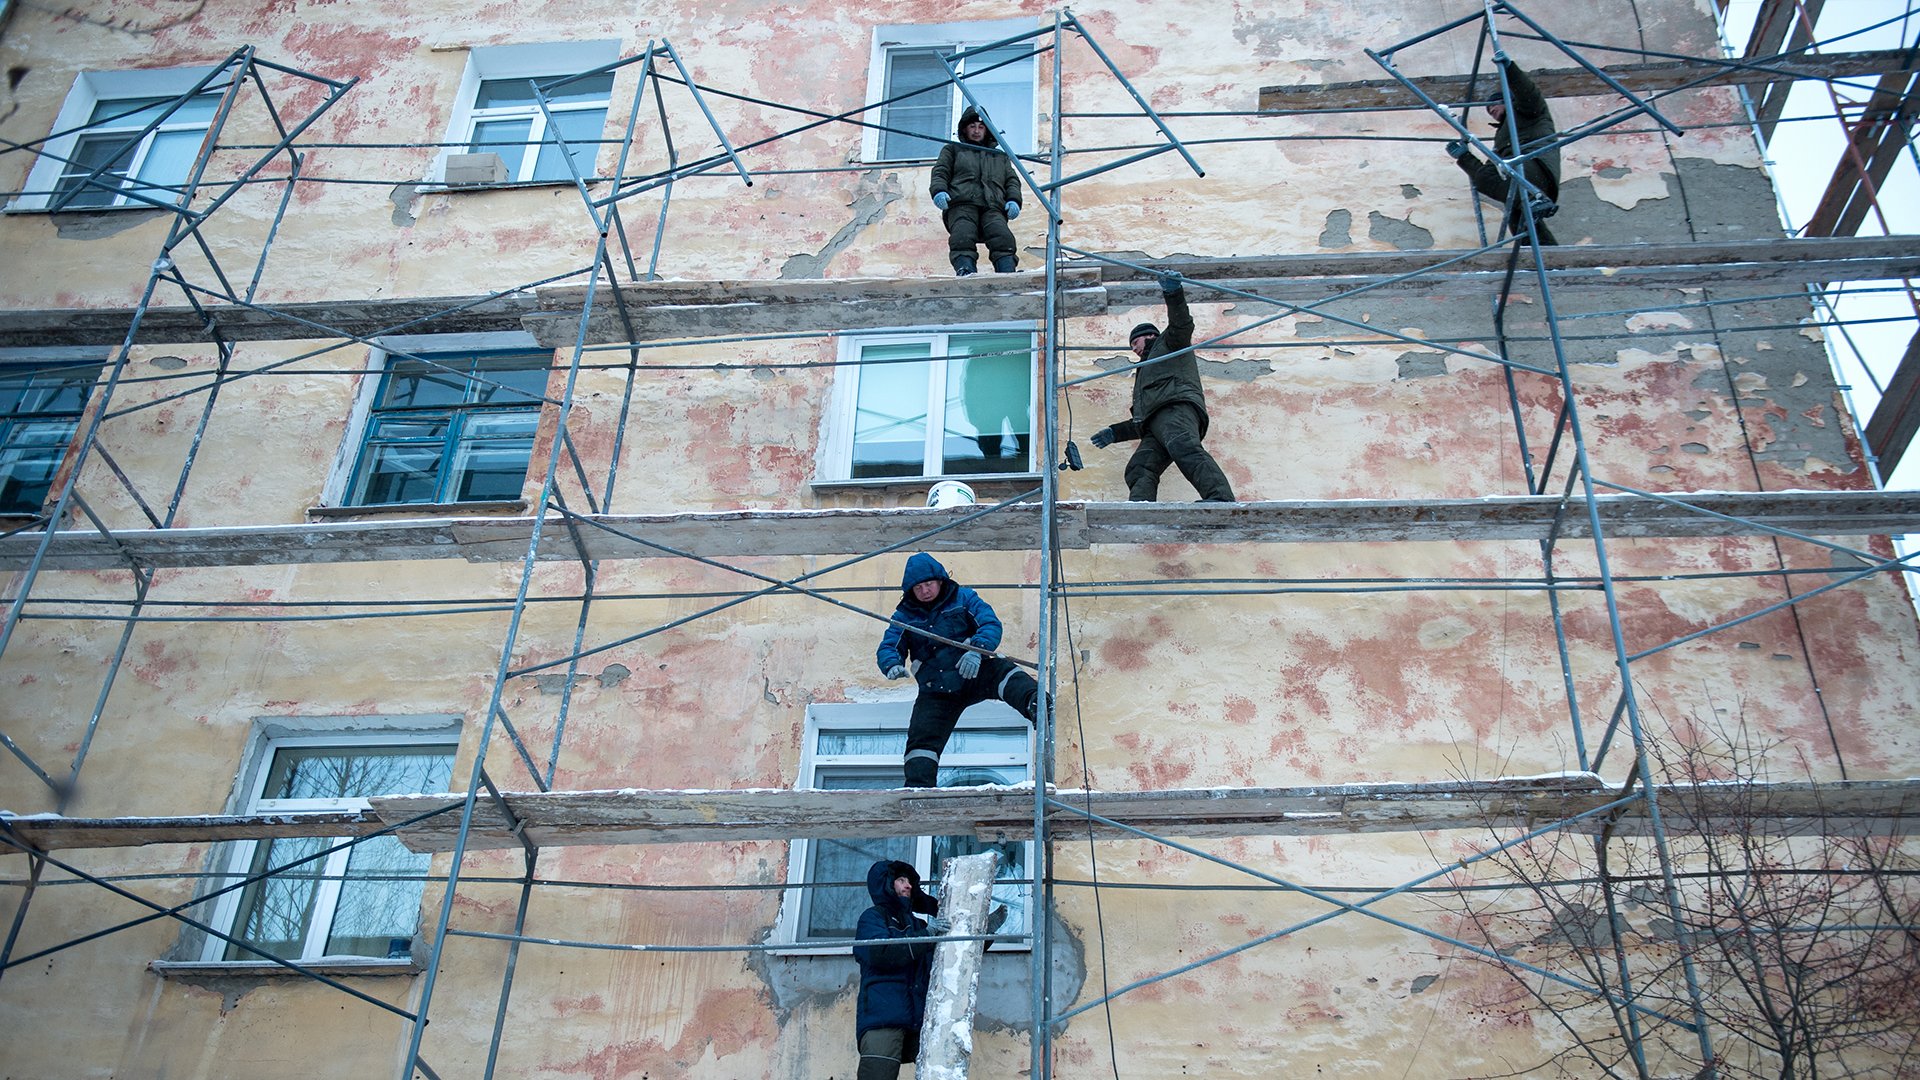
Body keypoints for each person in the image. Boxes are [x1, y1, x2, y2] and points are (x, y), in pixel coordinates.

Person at [877, 552, 1043, 787]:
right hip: (936, 689)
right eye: (918, 587)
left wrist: (977, 650)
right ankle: (918, 791)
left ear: (940, 581)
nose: (925, 591)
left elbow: (990, 623)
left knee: (1006, 673)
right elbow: (889, 645)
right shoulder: (904, 616)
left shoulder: (964, 598)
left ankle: (1035, 704)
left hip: (975, 672)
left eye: (928, 584)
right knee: (921, 738)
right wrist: (891, 664)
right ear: (910, 591)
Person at [1089, 273, 1237, 502]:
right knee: (1139, 467)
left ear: (1149, 335)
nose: (1134, 350)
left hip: (1176, 410)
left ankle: (1220, 497)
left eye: (1135, 343)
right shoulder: (1144, 371)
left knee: (1184, 448)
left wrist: (1173, 292)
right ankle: (1141, 510)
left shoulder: (1169, 343)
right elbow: (1141, 418)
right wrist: (1114, 432)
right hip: (1155, 425)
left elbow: (1182, 323)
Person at [1445, 53, 1560, 245]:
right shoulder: (1503, 135)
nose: (1490, 110)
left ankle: (1536, 198)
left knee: (1488, 178)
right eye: (1488, 110)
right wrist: (1464, 157)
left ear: (1509, 101)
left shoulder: (1528, 113)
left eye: (1493, 105)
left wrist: (1509, 70)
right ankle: (1551, 260)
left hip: (1535, 168)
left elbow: (1528, 93)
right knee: (1519, 221)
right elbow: (1489, 171)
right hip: (1520, 174)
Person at [852, 859, 945, 1080]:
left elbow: (946, 956)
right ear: (886, 884)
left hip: (920, 1019)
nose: (909, 885)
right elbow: (880, 953)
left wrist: (981, 934)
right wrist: (926, 937)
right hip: (883, 1017)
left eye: (910, 881)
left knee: (943, 1069)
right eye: (901, 880)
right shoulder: (873, 917)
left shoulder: (920, 926)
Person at [930, 106, 1022, 276]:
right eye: (972, 126)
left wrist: (1014, 200)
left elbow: (1011, 180)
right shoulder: (953, 150)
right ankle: (965, 270)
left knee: (1002, 237)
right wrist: (938, 191)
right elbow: (940, 171)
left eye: (981, 127)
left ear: (987, 130)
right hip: (962, 204)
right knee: (962, 235)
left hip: (993, 205)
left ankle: (1007, 273)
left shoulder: (999, 156)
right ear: (965, 128)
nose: (977, 131)